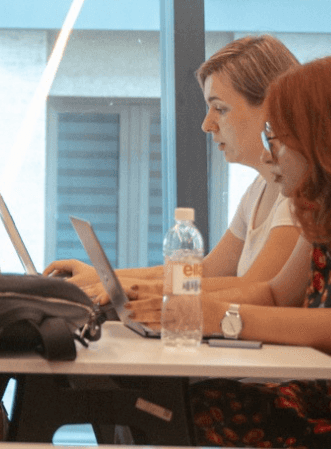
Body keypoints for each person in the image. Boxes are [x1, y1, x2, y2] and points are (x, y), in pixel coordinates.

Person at [128, 55, 331, 449]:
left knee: (187, 416)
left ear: (324, 140)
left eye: (277, 140)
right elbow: (275, 294)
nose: (269, 156)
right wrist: (179, 307)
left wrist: (222, 318)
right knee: (162, 408)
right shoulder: (329, 209)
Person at [47, 35, 306, 299]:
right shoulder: (259, 189)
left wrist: (137, 289)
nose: (207, 125)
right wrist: (102, 277)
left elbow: (255, 289)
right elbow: (204, 272)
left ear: (271, 107)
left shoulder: (297, 195)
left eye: (220, 108)